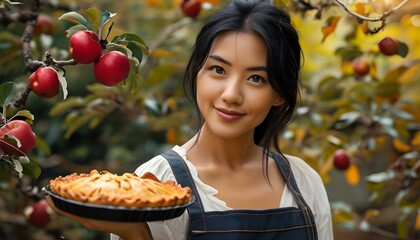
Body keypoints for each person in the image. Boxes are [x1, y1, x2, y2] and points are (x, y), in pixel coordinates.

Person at [46, 0, 334, 239]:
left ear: (279, 94)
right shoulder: (156, 183)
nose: (231, 94)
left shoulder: (303, 182)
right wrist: (137, 234)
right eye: (218, 70)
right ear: (198, 72)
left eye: (256, 78)